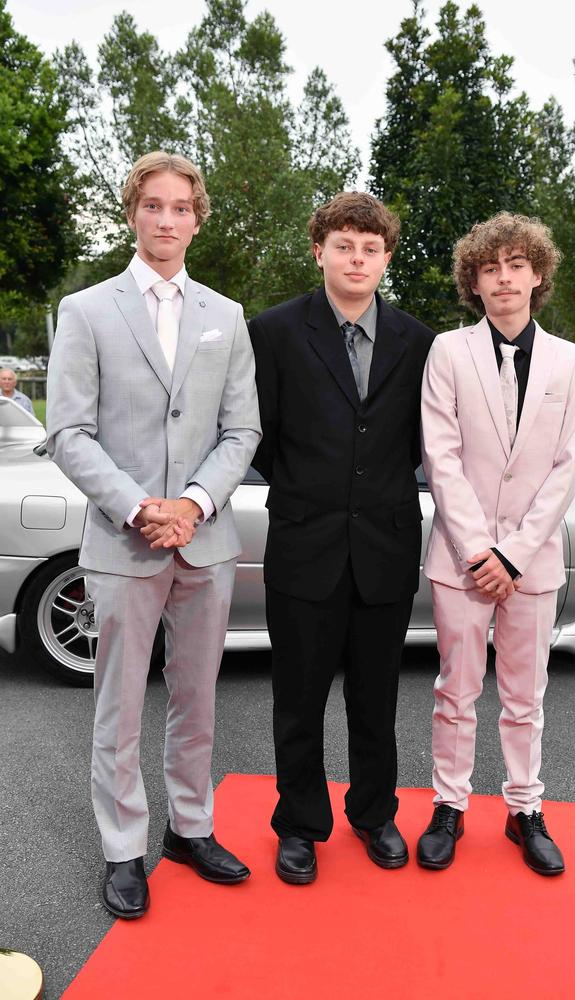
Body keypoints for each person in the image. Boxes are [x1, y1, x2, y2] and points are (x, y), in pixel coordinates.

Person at [46, 151, 261, 919]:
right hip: (124, 540)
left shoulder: (225, 317)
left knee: (197, 699)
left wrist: (195, 504)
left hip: (205, 541)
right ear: (132, 213)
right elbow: (68, 431)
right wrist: (142, 507)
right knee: (120, 702)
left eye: (181, 208)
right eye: (153, 206)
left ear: (198, 221)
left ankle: (190, 829)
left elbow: (242, 429)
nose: (167, 220)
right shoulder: (87, 311)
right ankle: (123, 848)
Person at [249, 192, 433, 884]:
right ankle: (299, 825)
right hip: (304, 543)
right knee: (297, 701)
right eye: (343, 245)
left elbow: (423, 441)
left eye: (370, 248)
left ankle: (374, 813)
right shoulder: (273, 332)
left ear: (385, 257)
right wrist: (312, 492)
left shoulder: (419, 342)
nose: (357, 259)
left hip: (385, 547)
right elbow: (260, 438)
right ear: (319, 249)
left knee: (376, 699)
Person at [419, 212, 575, 876]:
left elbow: (564, 467)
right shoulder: (447, 351)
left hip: (534, 562)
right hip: (460, 558)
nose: (503, 278)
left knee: (526, 695)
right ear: (474, 281)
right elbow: (442, 457)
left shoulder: (571, 362)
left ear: (537, 273)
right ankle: (449, 806)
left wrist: (513, 554)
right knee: (454, 690)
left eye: (516, 265)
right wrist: (479, 551)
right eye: (490, 268)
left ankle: (524, 809)